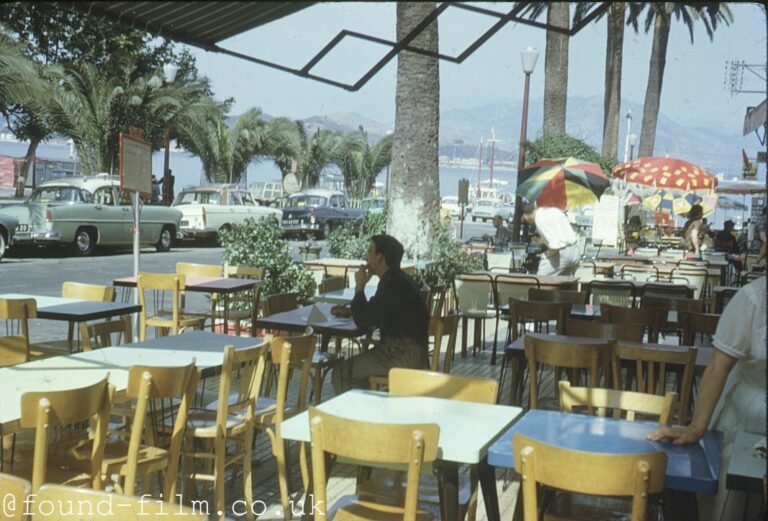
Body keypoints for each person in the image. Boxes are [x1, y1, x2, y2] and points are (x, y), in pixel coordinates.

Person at [648, 276, 766, 521]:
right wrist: (696, 428)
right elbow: (717, 367)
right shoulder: (754, 299)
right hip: (745, 422)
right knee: (736, 502)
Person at [331, 234, 429, 394]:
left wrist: (359, 287)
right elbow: (377, 311)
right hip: (414, 352)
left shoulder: (391, 284)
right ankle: (368, 410)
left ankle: (358, 417)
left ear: (380, 258)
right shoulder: (400, 280)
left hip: (401, 355)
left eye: (370, 251)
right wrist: (351, 310)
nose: (366, 256)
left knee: (342, 373)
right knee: (354, 370)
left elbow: (364, 320)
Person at [521, 202, 579, 276]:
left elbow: (555, 246)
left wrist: (546, 256)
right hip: (574, 251)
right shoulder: (552, 211)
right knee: (565, 284)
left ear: (525, 215)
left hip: (561, 254)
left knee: (540, 281)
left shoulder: (539, 220)